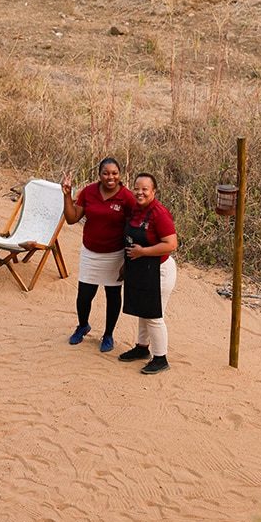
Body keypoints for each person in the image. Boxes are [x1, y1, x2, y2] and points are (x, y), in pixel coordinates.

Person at [61, 157, 136, 353]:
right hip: (90, 252)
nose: (110, 177)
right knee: (84, 295)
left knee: (113, 295)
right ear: (99, 175)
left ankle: (108, 334)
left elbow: (133, 229)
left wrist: (127, 261)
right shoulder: (89, 192)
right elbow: (71, 218)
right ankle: (82, 326)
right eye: (106, 173)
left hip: (115, 253)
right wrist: (67, 195)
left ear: (120, 175)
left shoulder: (127, 198)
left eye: (114, 173)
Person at [119, 172, 178, 375]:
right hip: (141, 269)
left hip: (159, 270)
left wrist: (143, 251)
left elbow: (171, 244)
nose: (140, 192)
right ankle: (142, 348)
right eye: (137, 188)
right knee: (143, 310)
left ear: (154, 191)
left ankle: (160, 358)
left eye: (145, 189)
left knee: (153, 315)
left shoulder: (159, 213)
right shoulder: (136, 209)